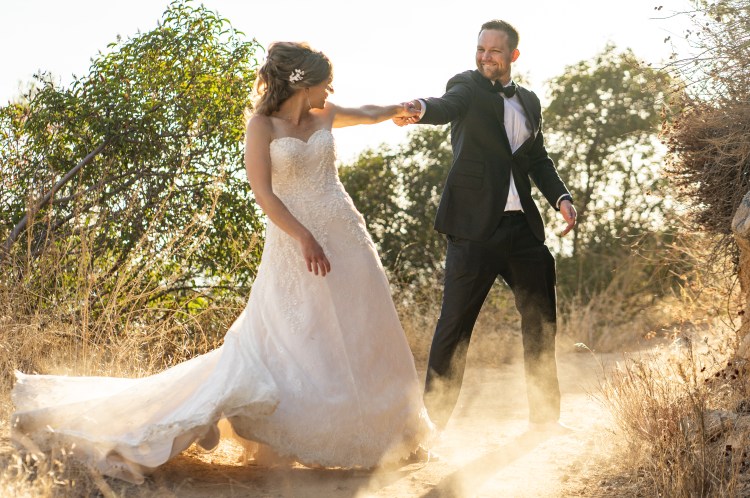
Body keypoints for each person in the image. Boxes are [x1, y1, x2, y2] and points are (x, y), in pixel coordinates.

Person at [11, 41, 434, 484]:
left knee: (366, 330)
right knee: (299, 336)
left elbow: (368, 112)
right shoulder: (261, 127)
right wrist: (304, 237)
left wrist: (400, 109)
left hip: (347, 238)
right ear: (303, 83)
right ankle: (299, 434)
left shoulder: (324, 114)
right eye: (326, 83)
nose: (332, 90)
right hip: (294, 243)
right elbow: (265, 195)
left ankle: (389, 433)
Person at [394, 20, 577, 432]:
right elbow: (446, 105)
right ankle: (432, 425)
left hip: (523, 229)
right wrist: (419, 108)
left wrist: (561, 198)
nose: (485, 56)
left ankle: (545, 420)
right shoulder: (467, 86)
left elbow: (537, 159)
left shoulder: (529, 101)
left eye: (494, 50)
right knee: (455, 325)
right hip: (474, 229)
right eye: (481, 49)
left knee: (541, 320)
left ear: (513, 55)